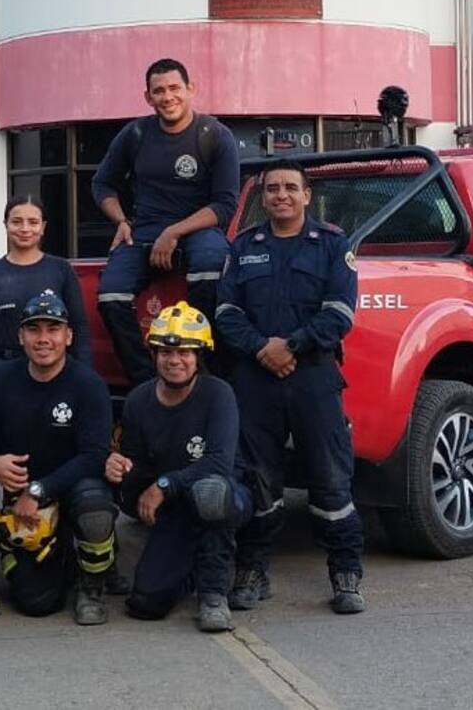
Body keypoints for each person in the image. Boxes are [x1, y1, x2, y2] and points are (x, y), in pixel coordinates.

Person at [214, 158, 364, 614]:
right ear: (262, 197)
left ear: (306, 196)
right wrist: (263, 349)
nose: (280, 195)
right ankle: (253, 570)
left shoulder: (333, 247)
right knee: (259, 480)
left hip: (314, 377)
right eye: (272, 188)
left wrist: (291, 348)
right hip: (255, 379)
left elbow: (341, 314)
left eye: (289, 188)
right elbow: (226, 314)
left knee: (330, 478)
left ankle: (346, 575)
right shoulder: (242, 248)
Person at [0, 294, 119, 625]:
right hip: (23, 505)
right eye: (34, 330)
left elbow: (94, 457)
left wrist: (38, 490)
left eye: (53, 329)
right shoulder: (0, 379)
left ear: (68, 336)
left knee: (95, 509)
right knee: (36, 603)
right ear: (21, 337)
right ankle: (61, 556)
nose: (44, 339)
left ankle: (93, 586)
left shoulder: (88, 384)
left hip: (72, 487)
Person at [105, 301, 253, 631]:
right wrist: (118, 467)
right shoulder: (139, 401)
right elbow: (139, 467)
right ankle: (191, 574)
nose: (175, 361)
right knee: (145, 604)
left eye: (186, 352)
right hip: (175, 505)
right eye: (166, 353)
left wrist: (164, 485)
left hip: (226, 494)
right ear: (154, 354)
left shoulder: (219, 394)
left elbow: (218, 462)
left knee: (210, 492)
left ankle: (214, 595)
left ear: (199, 356)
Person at [93, 58, 240, 385]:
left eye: (174, 88)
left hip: (200, 231)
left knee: (211, 269)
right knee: (110, 295)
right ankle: (147, 382)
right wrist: (120, 220)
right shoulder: (135, 134)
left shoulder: (215, 135)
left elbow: (225, 205)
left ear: (191, 89)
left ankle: (207, 374)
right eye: (158, 91)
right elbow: (102, 183)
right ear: (148, 97)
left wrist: (173, 232)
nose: (167, 96)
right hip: (142, 232)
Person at [0, 195, 92, 394]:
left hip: (54, 373)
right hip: (3, 374)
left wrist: (85, 378)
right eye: (16, 222)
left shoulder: (61, 269)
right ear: (6, 224)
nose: (25, 229)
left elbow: (79, 326)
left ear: (43, 227)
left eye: (33, 222)